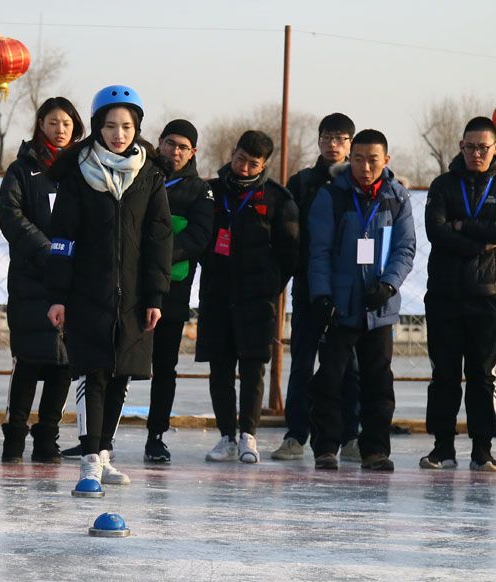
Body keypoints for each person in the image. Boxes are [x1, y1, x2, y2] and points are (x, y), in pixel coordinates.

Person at [45, 84, 172, 493]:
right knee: (92, 375)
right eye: (111, 126)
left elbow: (159, 239)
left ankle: (104, 455)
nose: (119, 134)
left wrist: (154, 297)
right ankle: (87, 458)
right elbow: (62, 237)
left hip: (134, 297)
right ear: (98, 126)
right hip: (87, 293)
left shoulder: (149, 175)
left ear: (137, 129)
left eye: (127, 126)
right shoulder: (78, 173)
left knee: (122, 376)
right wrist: (59, 294)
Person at [307, 129, 416, 472]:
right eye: (358, 159)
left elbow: (405, 248)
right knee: (330, 379)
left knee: (378, 382)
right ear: (349, 158)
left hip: (378, 309)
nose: (365, 167)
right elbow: (319, 251)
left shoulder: (397, 198)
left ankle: (375, 450)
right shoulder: (332, 196)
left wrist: (388, 285)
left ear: (386, 160)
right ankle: (326, 447)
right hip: (341, 306)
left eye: (373, 160)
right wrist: (322, 295)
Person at [421, 116, 496, 472]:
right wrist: (483, 241)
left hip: (487, 295)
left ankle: (482, 448)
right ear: (460, 147)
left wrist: (462, 225)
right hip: (444, 295)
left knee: (482, 376)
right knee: (444, 374)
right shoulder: (443, 184)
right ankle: (442, 447)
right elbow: (435, 231)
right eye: (469, 146)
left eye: (483, 147)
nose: (476, 153)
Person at [199, 131, 299, 464]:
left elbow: (290, 253)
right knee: (220, 368)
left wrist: (270, 285)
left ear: (264, 164)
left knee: (254, 368)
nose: (243, 167)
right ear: (233, 153)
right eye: (239, 158)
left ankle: (248, 435)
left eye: (252, 163)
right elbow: (199, 238)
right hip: (216, 295)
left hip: (257, 298)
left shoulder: (277, 198)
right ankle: (226, 435)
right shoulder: (211, 192)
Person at [0, 97, 85, 463]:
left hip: (72, 279)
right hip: (31, 279)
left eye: (66, 123)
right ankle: (14, 435)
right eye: (53, 122)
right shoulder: (22, 169)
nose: (60, 129)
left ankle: (47, 435)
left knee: (64, 363)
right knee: (29, 360)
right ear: (40, 125)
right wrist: (46, 249)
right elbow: (11, 215)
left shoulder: (84, 169)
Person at [275, 113, 362, 462]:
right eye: (327, 137)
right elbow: (287, 233)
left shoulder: (359, 181)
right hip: (310, 285)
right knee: (302, 361)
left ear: (350, 144)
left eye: (340, 139)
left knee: (348, 365)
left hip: (349, 289)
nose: (332, 144)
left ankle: (351, 436)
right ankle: (296, 435)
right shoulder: (302, 182)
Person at [143, 119, 214, 464]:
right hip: (131, 288)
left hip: (172, 291)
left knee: (164, 366)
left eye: (183, 147)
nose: (175, 151)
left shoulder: (199, 190)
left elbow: (198, 237)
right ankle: (99, 435)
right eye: (170, 143)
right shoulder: (143, 176)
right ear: (160, 143)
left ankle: (156, 435)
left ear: (193, 152)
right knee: (114, 365)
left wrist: (157, 254)